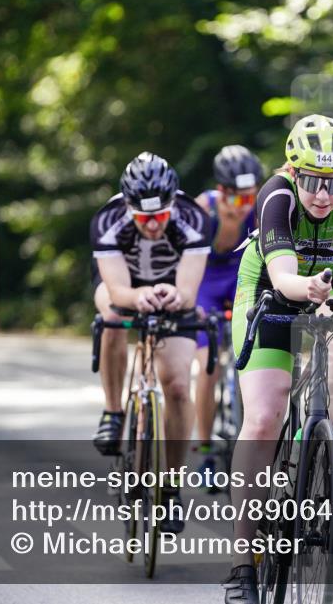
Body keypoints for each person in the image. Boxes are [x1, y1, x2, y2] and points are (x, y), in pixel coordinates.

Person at [221, 115, 333, 603]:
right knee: (265, 417)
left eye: (332, 183)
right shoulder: (276, 196)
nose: (321, 195)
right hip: (270, 291)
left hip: (329, 293)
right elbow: (285, 275)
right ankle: (243, 565)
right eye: (311, 180)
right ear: (294, 171)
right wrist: (305, 290)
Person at [89, 151, 211, 534]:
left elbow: (189, 292)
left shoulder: (193, 218)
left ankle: (170, 488)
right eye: (144, 218)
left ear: (173, 203)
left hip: (172, 290)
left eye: (161, 215)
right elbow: (116, 288)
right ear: (128, 208)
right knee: (110, 314)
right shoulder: (108, 220)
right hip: (126, 289)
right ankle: (113, 412)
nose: (154, 225)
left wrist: (175, 297)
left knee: (176, 384)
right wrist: (135, 298)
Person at [192, 145, 264, 484]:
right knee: (207, 364)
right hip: (205, 280)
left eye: (249, 198)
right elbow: (184, 261)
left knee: (250, 352)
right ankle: (205, 449)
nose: (244, 206)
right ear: (221, 192)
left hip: (239, 278)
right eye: (237, 199)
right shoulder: (202, 209)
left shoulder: (258, 206)